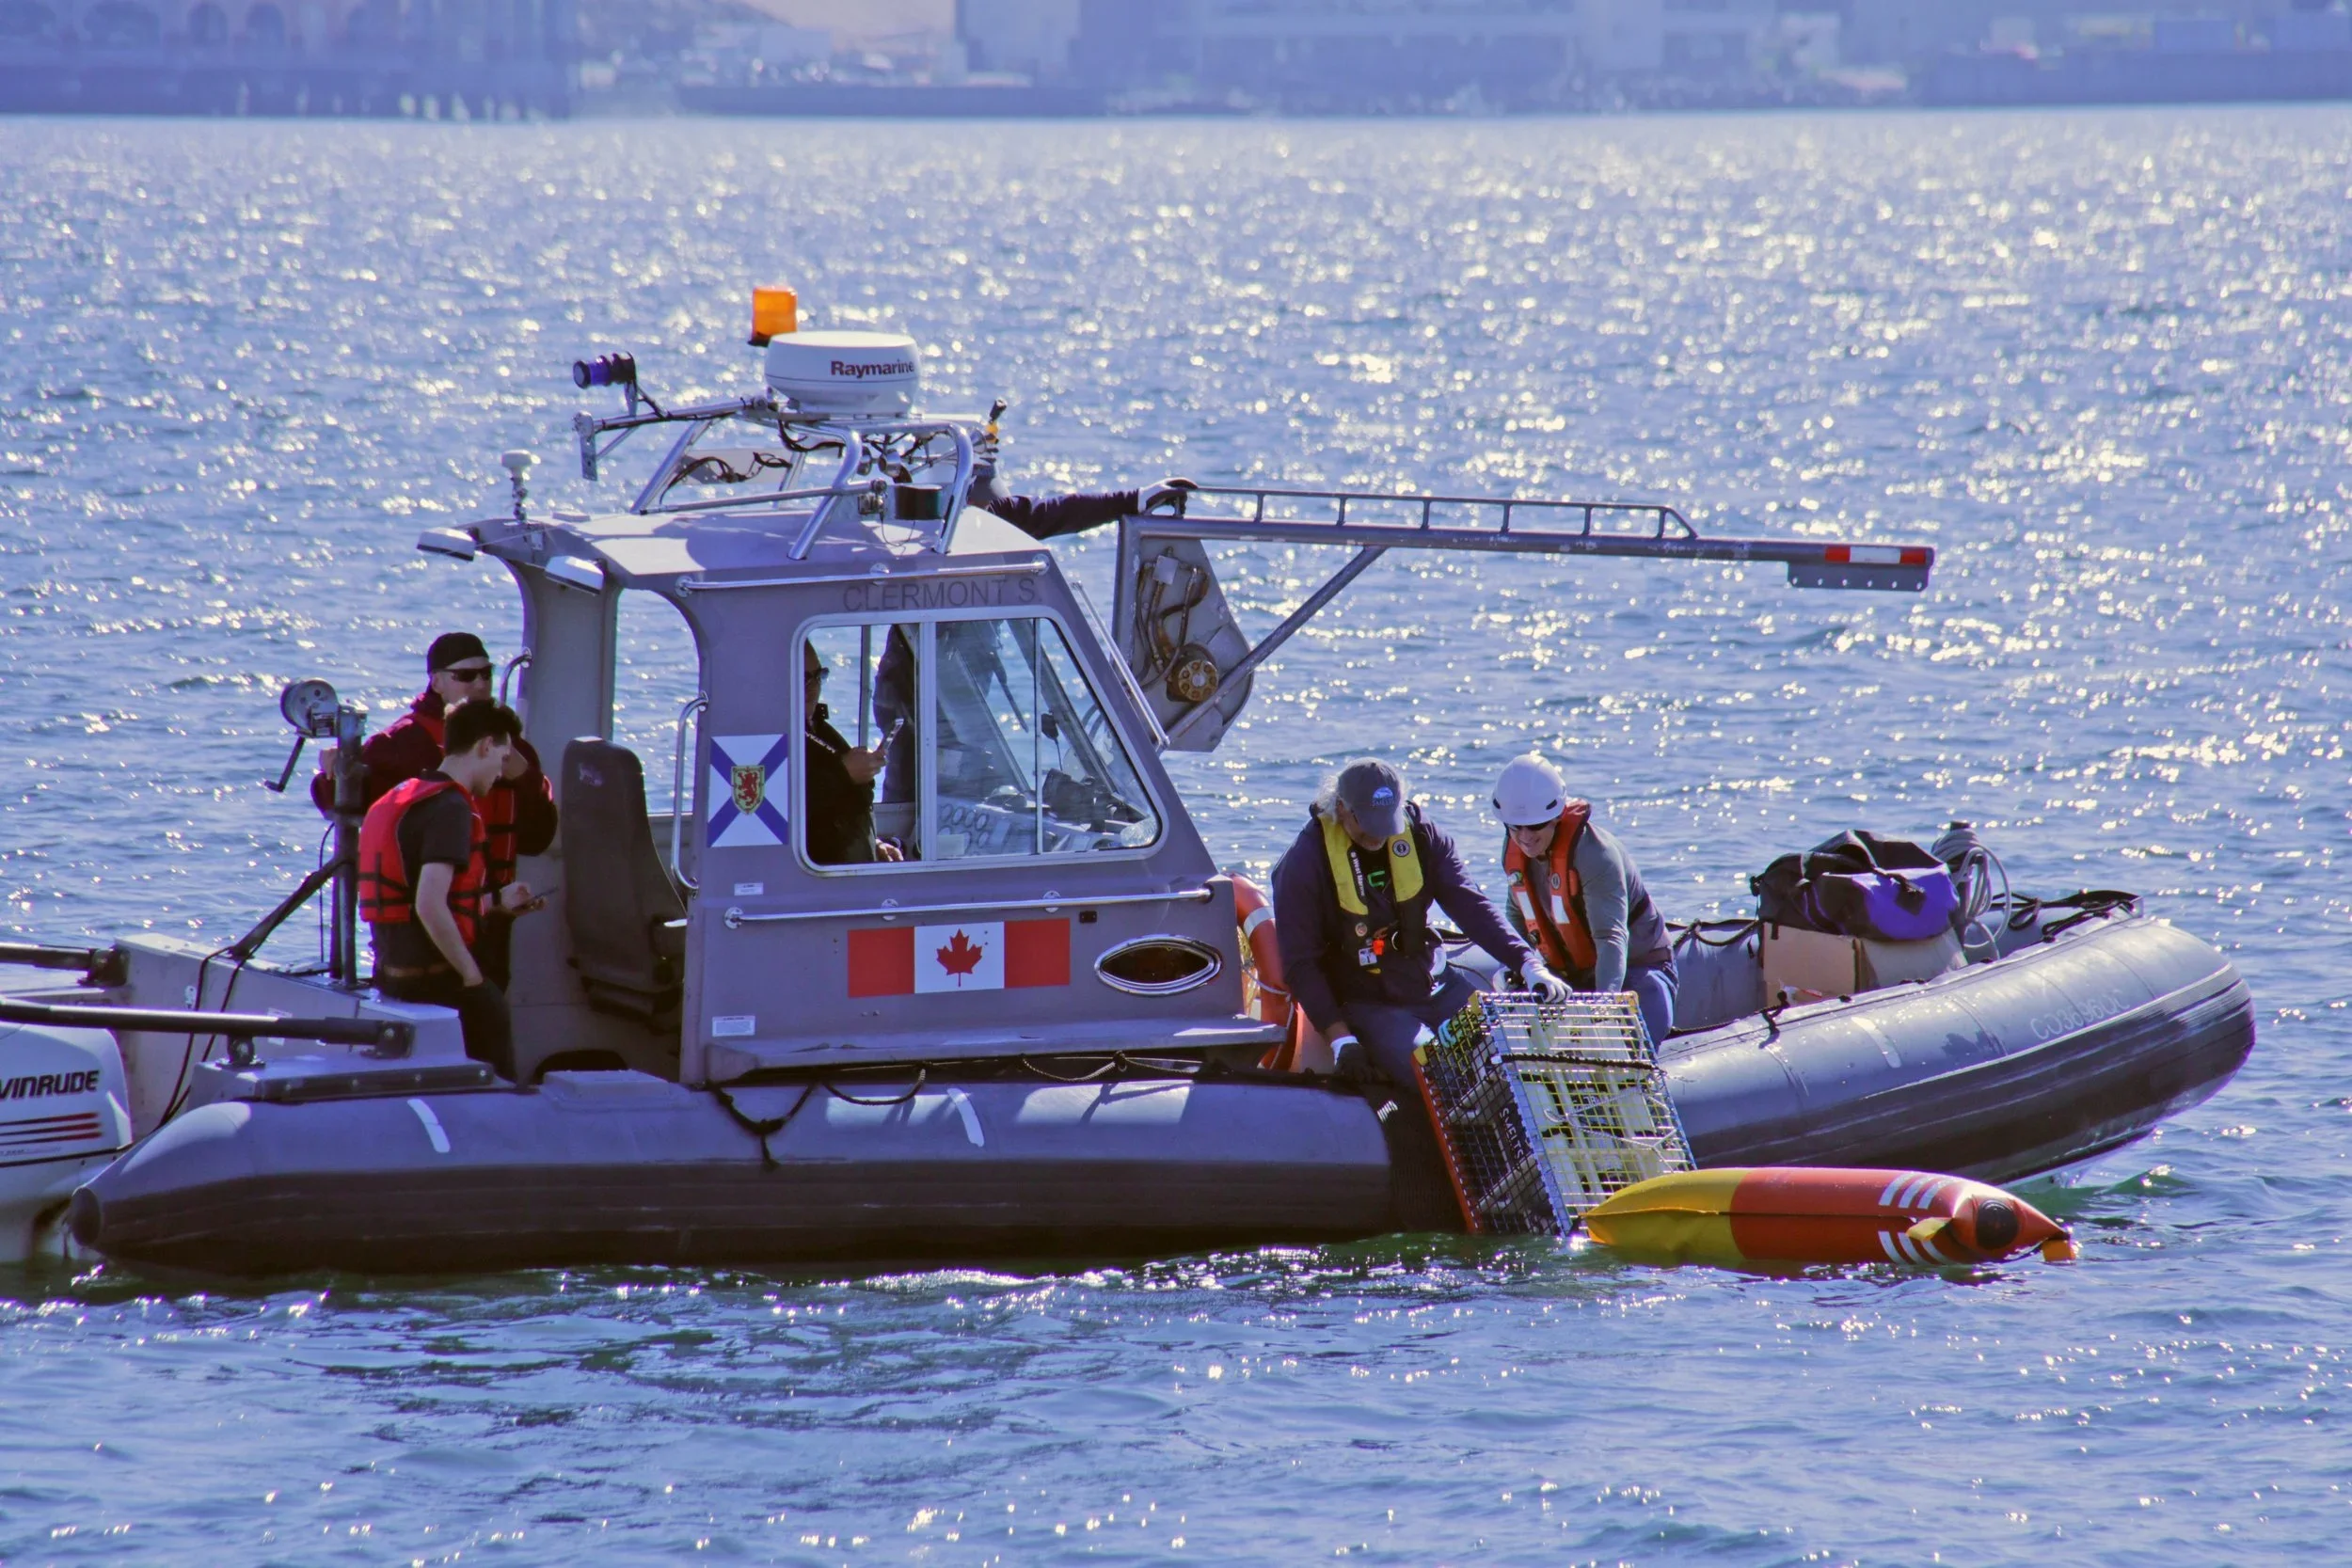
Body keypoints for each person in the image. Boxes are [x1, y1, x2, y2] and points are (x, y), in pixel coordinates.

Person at [1272, 758, 1571, 1090]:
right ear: (1342, 808)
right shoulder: (1304, 862)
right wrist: (1342, 1040)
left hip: (1433, 983)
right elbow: (1301, 964)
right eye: (1369, 823)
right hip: (1370, 1003)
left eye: (1388, 821)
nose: (1380, 835)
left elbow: (1470, 904)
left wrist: (1528, 963)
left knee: (1511, 1050)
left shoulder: (1421, 833)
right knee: (1440, 1079)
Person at [315, 631, 557, 986]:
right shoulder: (399, 744)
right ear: (437, 681)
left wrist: (526, 778)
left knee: (486, 1018)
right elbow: (341, 803)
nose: (479, 684)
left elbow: (538, 838)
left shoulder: (512, 749)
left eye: (486, 674)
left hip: (492, 920)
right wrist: (333, 771)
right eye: (466, 676)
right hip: (421, 932)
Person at [358, 700, 544, 1078]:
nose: (501, 773)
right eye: (502, 757)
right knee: (492, 1008)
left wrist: (496, 903)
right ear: (484, 746)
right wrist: (473, 979)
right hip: (436, 979)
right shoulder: (452, 807)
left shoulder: (408, 794)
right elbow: (429, 904)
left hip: (394, 974)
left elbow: (424, 896)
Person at [1489, 754, 1677, 1047]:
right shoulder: (1515, 847)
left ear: (1555, 817)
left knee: (1624, 1051)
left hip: (1636, 969)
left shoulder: (1596, 855)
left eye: (1536, 826)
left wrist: (1604, 1010)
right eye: (1515, 827)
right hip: (1573, 976)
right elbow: (1518, 914)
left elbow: (1611, 938)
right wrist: (1518, 966)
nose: (1525, 837)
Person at [803, 641, 900, 864]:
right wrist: (842, 772)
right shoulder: (772, 740)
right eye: (804, 679)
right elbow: (789, 808)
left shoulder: (820, 731)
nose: (814, 686)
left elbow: (841, 810)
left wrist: (874, 844)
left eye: (819, 676)